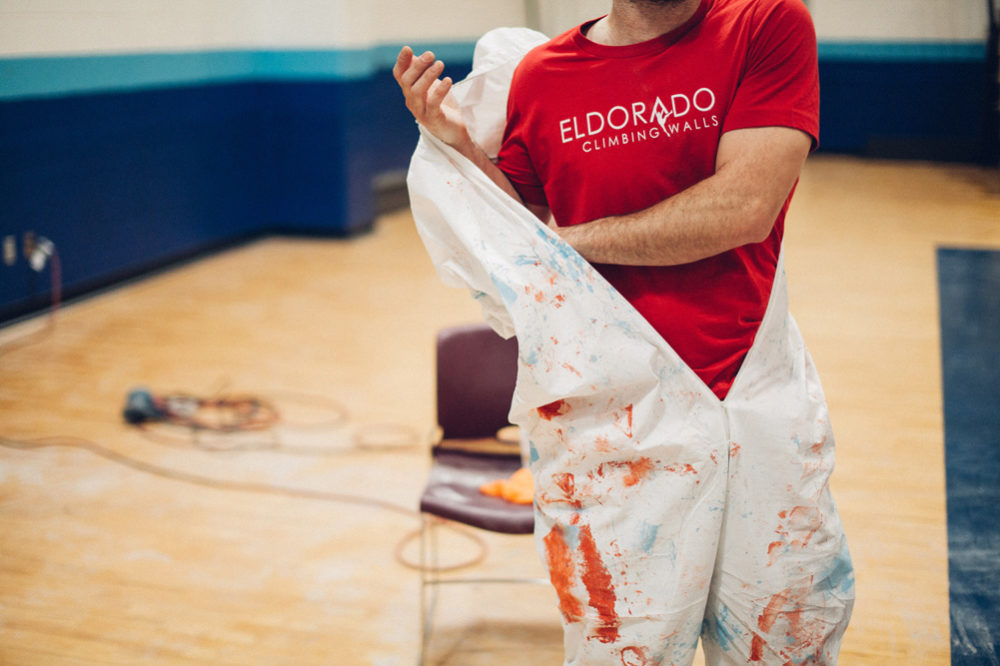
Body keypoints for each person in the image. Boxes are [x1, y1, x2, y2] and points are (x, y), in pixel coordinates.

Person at [395, 0, 854, 663]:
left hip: (753, 405)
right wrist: (460, 144)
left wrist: (566, 244)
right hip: (610, 425)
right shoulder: (543, 76)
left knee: (782, 642)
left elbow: (745, 208)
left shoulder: (764, 24)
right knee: (623, 649)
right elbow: (520, 227)